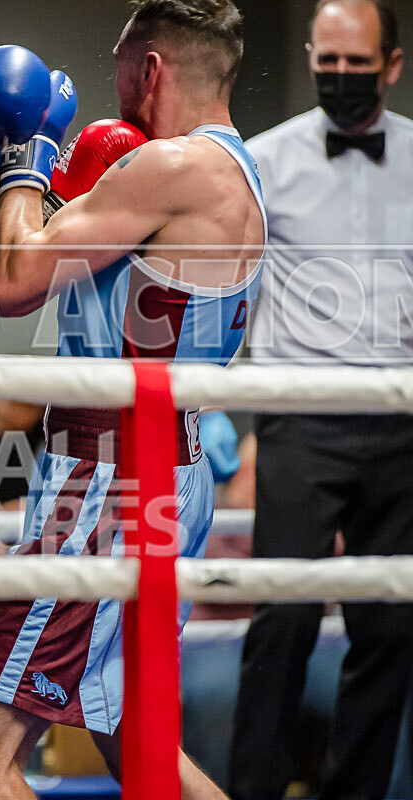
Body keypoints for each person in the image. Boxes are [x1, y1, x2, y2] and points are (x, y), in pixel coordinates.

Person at [0, 1, 265, 797]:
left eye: (118, 63)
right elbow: (23, 257)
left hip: (107, 484)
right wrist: (15, 188)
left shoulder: (166, 169)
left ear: (150, 69)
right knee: (142, 753)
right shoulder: (234, 169)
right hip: (162, 473)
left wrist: (26, 160)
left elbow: (7, 284)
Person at [227, 2, 413, 799]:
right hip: (300, 419)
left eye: (356, 65)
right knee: (283, 620)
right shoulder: (264, 163)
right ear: (309, 57)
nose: (338, 78)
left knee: (393, 626)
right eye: (325, 63)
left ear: (393, 65)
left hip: (402, 423)